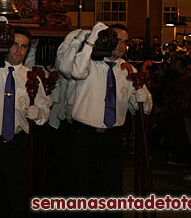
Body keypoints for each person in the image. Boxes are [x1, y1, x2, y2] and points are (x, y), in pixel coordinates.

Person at [0, 16, 50, 217]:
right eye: (15, 44)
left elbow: (44, 107)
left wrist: (38, 113)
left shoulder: (32, 77)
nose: (18, 50)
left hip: (18, 146)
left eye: (23, 46)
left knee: (18, 199)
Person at [64, 22, 152, 196]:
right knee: (81, 188)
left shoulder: (128, 69)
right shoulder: (89, 63)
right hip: (84, 136)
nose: (121, 46)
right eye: (117, 40)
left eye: (125, 42)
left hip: (113, 137)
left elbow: (144, 107)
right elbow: (76, 72)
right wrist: (91, 41)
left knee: (111, 188)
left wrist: (142, 97)